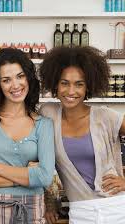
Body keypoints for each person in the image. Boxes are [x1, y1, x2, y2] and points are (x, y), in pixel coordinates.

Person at [0, 48, 55, 224]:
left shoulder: (43, 124)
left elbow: (44, 177)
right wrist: (26, 177)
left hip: (32, 211)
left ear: (28, 78)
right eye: (6, 80)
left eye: (20, 76)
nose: (15, 85)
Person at [39, 46, 125, 224]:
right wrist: (49, 203)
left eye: (79, 84)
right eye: (64, 83)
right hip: (80, 211)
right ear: (55, 83)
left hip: (117, 207)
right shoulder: (48, 113)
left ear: (88, 86)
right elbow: (40, 161)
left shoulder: (106, 116)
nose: (71, 91)